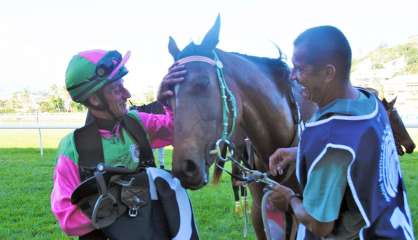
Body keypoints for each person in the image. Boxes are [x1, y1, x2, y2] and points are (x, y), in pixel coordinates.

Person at [268, 26, 414, 239]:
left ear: (328, 73)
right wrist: (299, 152)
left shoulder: (330, 138)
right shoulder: (369, 103)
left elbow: (320, 225)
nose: (292, 76)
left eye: (299, 69)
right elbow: (359, 155)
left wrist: (289, 199)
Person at [50, 49, 198, 239]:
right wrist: (128, 195)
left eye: (123, 85)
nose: (127, 94)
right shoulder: (73, 148)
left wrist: (167, 101)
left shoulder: (137, 122)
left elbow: (177, 131)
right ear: (95, 99)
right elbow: (68, 219)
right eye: (116, 89)